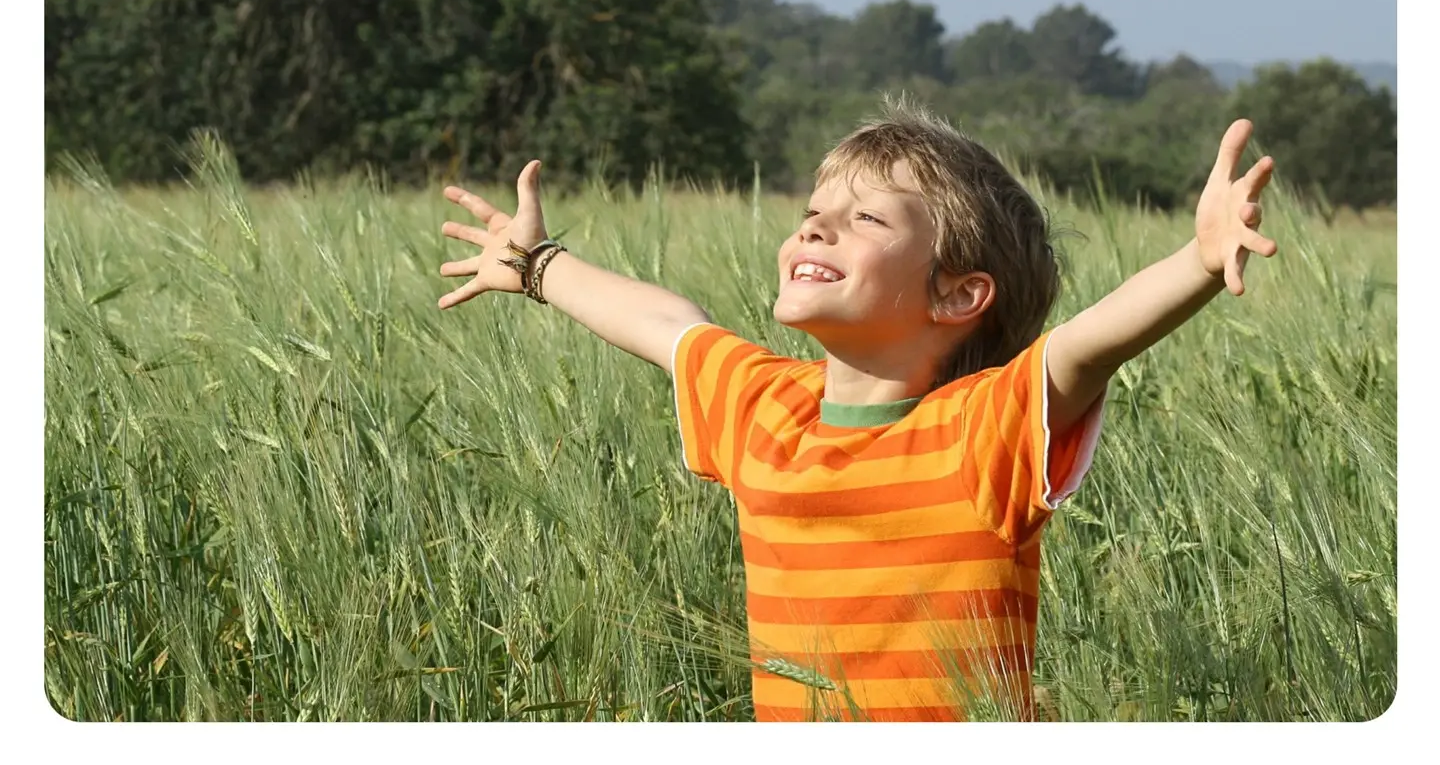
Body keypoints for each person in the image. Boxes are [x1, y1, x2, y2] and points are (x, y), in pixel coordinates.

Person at [436, 97, 1278, 722]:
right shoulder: (764, 407)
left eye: (864, 218)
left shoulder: (980, 433)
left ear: (959, 294)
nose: (814, 231)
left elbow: (1085, 346)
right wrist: (538, 266)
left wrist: (1199, 262)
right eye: (811, 216)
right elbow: (668, 324)